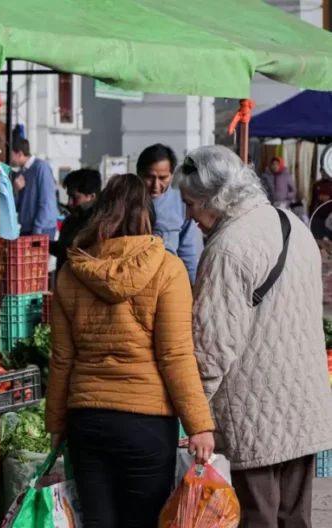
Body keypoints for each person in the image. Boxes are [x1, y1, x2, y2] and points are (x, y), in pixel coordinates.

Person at [175, 145, 332, 527]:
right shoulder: (291, 224)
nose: (190, 216)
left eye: (192, 204)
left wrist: (194, 414)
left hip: (256, 408)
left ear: (215, 197)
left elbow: (212, 344)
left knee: (258, 516)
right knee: (295, 516)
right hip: (305, 401)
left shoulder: (228, 248)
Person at [47, 173, 214, 527]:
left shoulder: (70, 271)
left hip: (86, 419)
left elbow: (61, 358)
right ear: (146, 215)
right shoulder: (168, 269)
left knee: (97, 521)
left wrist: (56, 423)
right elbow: (176, 354)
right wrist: (199, 425)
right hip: (147, 422)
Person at [136, 143, 201, 283]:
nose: (155, 185)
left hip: (168, 282)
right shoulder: (125, 201)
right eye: (149, 177)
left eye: (162, 178)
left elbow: (187, 250)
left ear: (172, 175)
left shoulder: (182, 202)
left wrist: (194, 287)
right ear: (139, 174)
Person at [50, 168, 100, 272]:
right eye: (69, 196)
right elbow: (62, 250)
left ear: (91, 196)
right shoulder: (72, 219)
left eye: (75, 197)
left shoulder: (98, 224)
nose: (70, 202)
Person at [10, 138, 58, 238]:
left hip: (42, 229)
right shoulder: (20, 173)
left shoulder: (41, 167)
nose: (8, 158)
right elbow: (15, 206)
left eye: (10, 154)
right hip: (26, 228)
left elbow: (47, 201)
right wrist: (15, 190)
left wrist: (37, 229)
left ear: (19, 153)